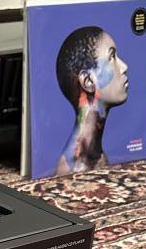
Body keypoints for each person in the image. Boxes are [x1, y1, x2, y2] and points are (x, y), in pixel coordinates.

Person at [54, 26, 129, 175]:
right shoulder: (71, 168)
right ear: (88, 81)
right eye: (112, 57)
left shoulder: (96, 155)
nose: (124, 67)